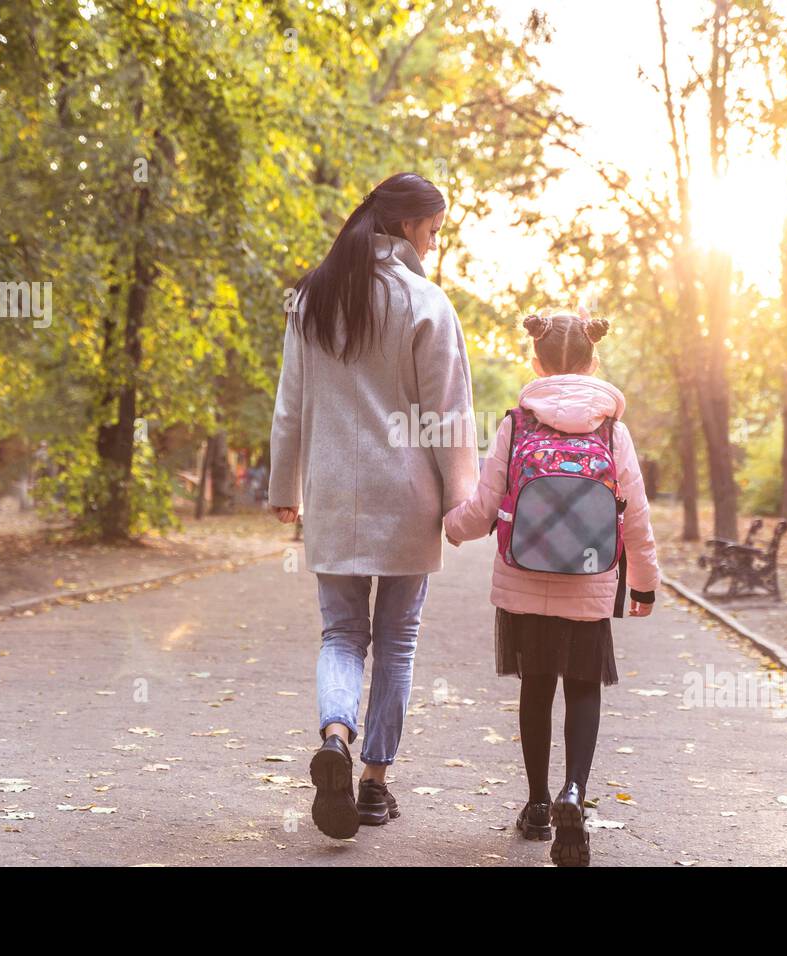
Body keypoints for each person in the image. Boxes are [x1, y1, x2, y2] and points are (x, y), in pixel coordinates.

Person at [268, 172, 477, 839]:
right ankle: (375, 784)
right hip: (408, 498)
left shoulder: (311, 299)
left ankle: (335, 735)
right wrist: (461, 502)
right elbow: (448, 416)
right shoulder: (425, 302)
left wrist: (284, 488)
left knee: (340, 634)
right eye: (435, 231)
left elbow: (290, 406)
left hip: (331, 494)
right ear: (413, 228)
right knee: (397, 639)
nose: (435, 244)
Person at [443, 310, 660, 867]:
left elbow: (486, 505)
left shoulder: (518, 424)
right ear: (593, 362)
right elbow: (633, 516)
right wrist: (644, 585)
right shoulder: (613, 431)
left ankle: (538, 804)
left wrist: (449, 526)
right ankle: (574, 796)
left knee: (536, 688)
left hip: (523, 579)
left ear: (536, 362)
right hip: (591, 582)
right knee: (584, 687)